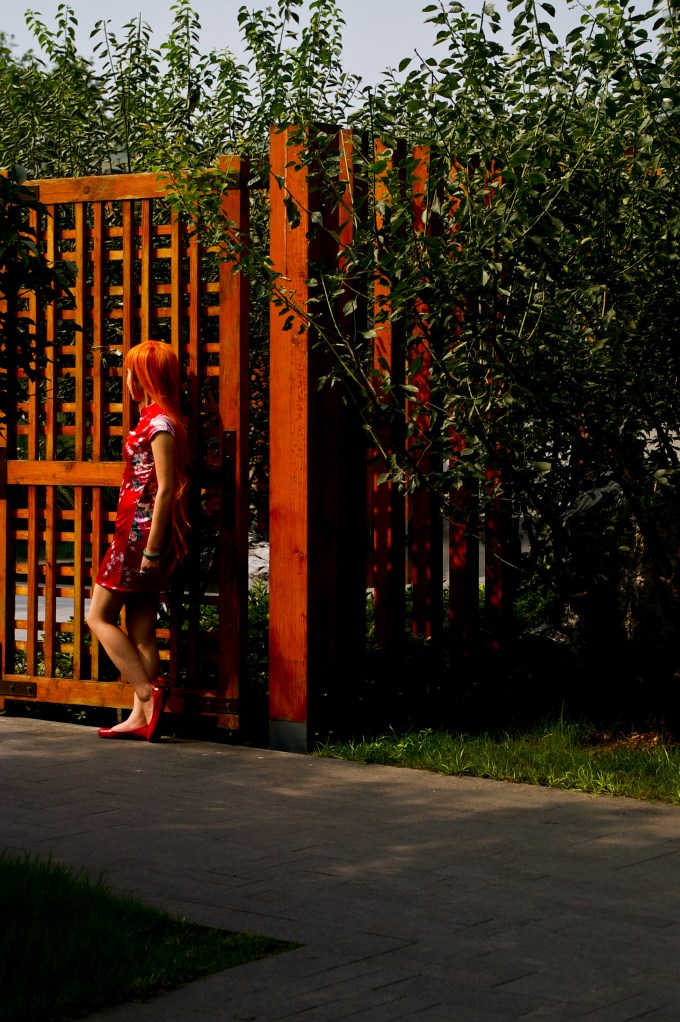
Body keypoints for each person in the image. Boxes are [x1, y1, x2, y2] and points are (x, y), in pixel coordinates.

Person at [87, 340, 190, 741]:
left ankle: (148, 696)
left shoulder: (160, 423)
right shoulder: (154, 419)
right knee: (143, 631)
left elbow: (165, 489)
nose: (127, 379)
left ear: (146, 377)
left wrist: (149, 549)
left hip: (138, 536)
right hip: (136, 532)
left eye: (131, 372)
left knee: (97, 616)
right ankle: (140, 718)